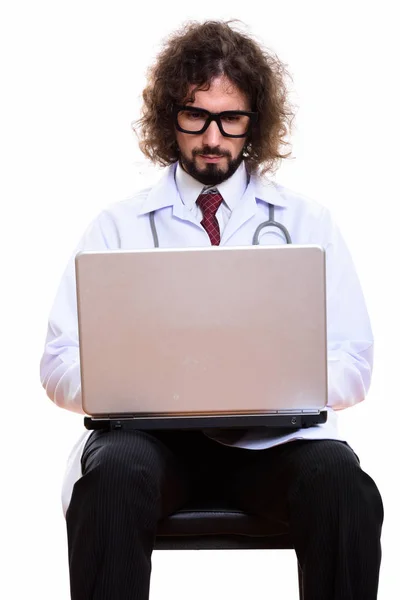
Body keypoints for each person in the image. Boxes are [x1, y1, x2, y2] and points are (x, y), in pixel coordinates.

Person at [40, 19, 384, 600]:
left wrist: (277, 381)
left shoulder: (307, 222)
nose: (212, 137)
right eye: (195, 116)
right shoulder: (118, 227)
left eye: (231, 119)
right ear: (168, 118)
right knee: (113, 474)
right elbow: (56, 362)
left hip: (275, 447)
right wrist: (127, 384)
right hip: (151, 445)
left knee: (344, 488)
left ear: (255, 122)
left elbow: (354, 361)